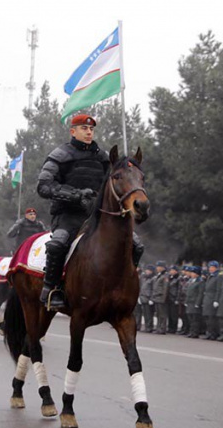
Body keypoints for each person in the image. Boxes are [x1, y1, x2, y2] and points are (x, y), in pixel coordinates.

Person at [36, 113, 144, 310]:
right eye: (84, 129)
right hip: (68, 216)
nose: (88, 132)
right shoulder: (60, 155)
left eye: (91, 129)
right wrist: (75, 195)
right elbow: (44, 186)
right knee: (58, 244)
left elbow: (117, 183)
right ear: (73, 131)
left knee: (136, 245)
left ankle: (123, 286)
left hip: (98, 216)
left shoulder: (103, 158)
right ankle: (52, 289)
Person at [184, 266, 206, 338]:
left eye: (194, 273)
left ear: (197, 274)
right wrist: (186, 301)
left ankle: (195, 332)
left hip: (195, 302)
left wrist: (198, 303)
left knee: (195, 319)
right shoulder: (191, 281)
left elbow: (200, 293)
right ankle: (191, 331)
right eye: (192, 272)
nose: (192, 274)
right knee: (190, 318)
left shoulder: (200, 282)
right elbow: (188, 292)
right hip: (190, 302)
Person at [202, 261, 221, 340]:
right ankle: (209, 333)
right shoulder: (210, 276)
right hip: (207, 298)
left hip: (212, 298)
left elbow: (218, 289)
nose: (210, 269)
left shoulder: (218, 277)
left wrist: (216, 300)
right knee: (207, 317)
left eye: (212, 267)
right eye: (210, 267)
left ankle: (213, 334)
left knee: (212, 318)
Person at [152, 261, 170, 335]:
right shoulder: (159, 275)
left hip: (161, 297)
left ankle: (162, 328)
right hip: (157, 297)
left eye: (158, 267)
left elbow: (165, 289)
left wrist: (163, 299)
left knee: (162, 314)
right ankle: (158, 328)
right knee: (158, 314)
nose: (157, 268)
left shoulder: (165, 276)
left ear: (162, 267)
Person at [165, 265, 182, 334]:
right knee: (169, 314)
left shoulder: (178, 278)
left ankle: (174, 328)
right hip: (169, 298)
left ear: (176, 271)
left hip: (174, 298)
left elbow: (179, 289)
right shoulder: (170, 278)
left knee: (174, 315)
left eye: (172, 270)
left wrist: (177, 299)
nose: (170, 271)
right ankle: (170, 327)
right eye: (170, 270)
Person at [139, 265, 156, 332]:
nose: (147, 271)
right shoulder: (144, 278)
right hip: (143, 297)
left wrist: (151, 299)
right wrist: (140, 297)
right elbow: (141, 288)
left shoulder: (153, 279)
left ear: (151, 271)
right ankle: (146, 326)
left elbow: (153, 289)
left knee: (149, 314)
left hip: (149, 298)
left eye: (148, 270)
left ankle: (149, 327)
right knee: (145, 313)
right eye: (146, 270)